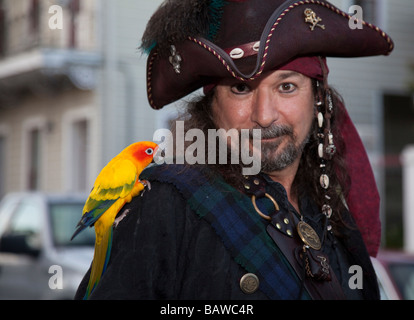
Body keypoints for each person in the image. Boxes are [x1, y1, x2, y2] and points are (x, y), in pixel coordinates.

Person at [75, 0, 394, 300]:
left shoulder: (335, 223)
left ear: (318, 99)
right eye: (241, 88)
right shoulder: (165, 206)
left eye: (287, 86)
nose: (265, 114)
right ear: (211, 107)